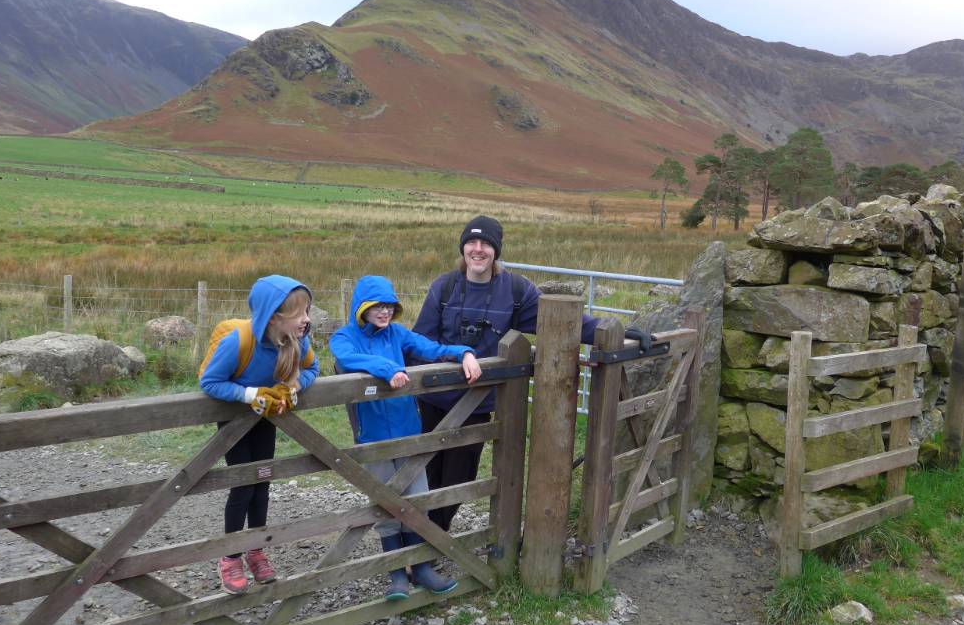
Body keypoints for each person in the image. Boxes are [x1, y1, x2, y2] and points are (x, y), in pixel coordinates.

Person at [412, 215, 654, 532]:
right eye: (471, 242)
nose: (478, 249)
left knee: (460, 476)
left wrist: (617, 331)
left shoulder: (514, 291)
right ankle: (424, 538)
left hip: (476, 403)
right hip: (435, 397)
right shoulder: (443, 287)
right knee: (425, 470)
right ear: (463, 248)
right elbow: (419, 341)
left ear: (496, 250)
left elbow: (565, 322)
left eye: (485, 243)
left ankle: (431, 535)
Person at [331, 275, 482, 601]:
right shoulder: (346, 337)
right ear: (362, 308)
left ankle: (420, 567)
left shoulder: (398, 334)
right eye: (377, 306)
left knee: (417, 499)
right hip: (373, 438)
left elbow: (431, 348)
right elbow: (346, 358)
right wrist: (387, 370)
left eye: (389, 306)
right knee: (386, 502)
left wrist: (465, 353)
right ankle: (397, 574)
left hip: (408, 432)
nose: (384, 312)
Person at [200, 274, 320, 595]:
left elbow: (312, 369)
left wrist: (294, 387)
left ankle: (256, 550)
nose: (307, 320)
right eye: (299, 313)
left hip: (267, 420)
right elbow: (210, 382)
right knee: (242, 487)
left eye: (307, 311)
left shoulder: (299, 341)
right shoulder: (238, 343)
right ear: (274, 315)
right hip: (235, 422)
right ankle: (230, 557)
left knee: (262, 483)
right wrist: (252, 395)